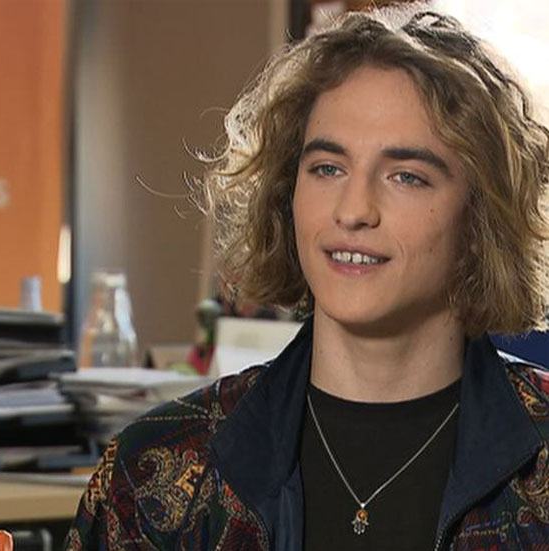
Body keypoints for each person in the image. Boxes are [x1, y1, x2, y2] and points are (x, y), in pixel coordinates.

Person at [64, 3, 549, 550]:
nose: (353, 210)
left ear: (482, 216)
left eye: (406, 177)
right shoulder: (152, 474)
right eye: (327, 168)